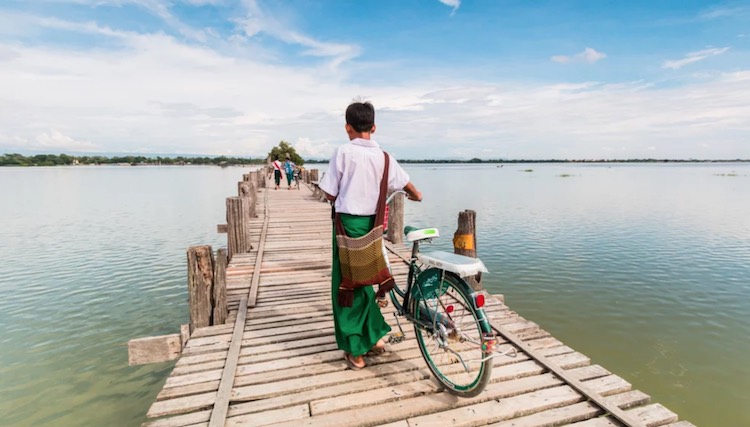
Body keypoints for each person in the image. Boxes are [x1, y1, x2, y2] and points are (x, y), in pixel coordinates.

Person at [318, 101, 422, 370]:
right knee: (365, 280)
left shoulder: (342, 152)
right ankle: (374, 336)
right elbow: (406, 183)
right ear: (374, 127)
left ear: (347, 127)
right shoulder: (385, 157)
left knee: (346, 286)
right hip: (374, 228)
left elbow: (328, 193)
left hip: (347, 228)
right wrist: (416, 194)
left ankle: (356, 350)